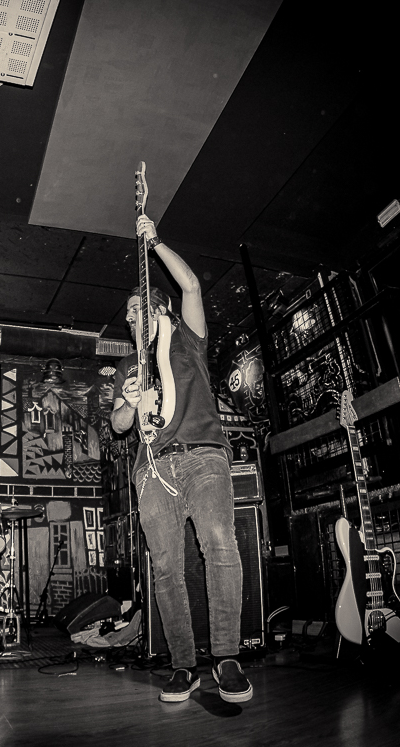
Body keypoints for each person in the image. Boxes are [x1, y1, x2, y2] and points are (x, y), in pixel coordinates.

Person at [110, 215, 252, 704]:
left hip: (203, 456)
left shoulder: (188, 339)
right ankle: (183, 666)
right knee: (167, 568)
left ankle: (227, 657)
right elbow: (119, 426)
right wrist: (130, 402)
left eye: (140, 309)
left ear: (159, 309)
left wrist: (154, 243)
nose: (132, 318)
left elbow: (190, 284)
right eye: (128, 315)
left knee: (220, 543)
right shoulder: (127, 366)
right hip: (152, 470)